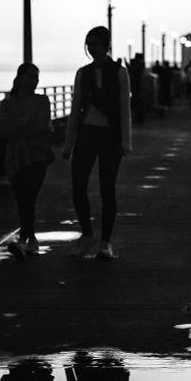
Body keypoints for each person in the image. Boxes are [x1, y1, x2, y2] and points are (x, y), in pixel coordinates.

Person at [63, 26, 132, 261]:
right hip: (86, 133)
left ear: (107, 45)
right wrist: (68, 143)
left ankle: (106, 242)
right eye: (89, 44)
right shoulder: (83, 73)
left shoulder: (120, 73)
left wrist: (126, 141)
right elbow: (75, 110)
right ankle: (87, 234)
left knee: (107, 188)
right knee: (78, 183)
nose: (92, 48)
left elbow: (125, 109)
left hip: (110, 136)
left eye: (96, 43)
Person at [0, 62, 55, 261]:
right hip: (15, 157)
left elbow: (43, 126)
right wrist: (25, 124)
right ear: (20, 78)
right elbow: (4, 131)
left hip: (37, 155)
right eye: (30, 76)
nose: (34, 81)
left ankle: (24, 238)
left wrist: (19, 125)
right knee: (22, 198)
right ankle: (30, 238)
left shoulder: (42, 101)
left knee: (28, 196)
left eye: (36, 77)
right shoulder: (8, 103)